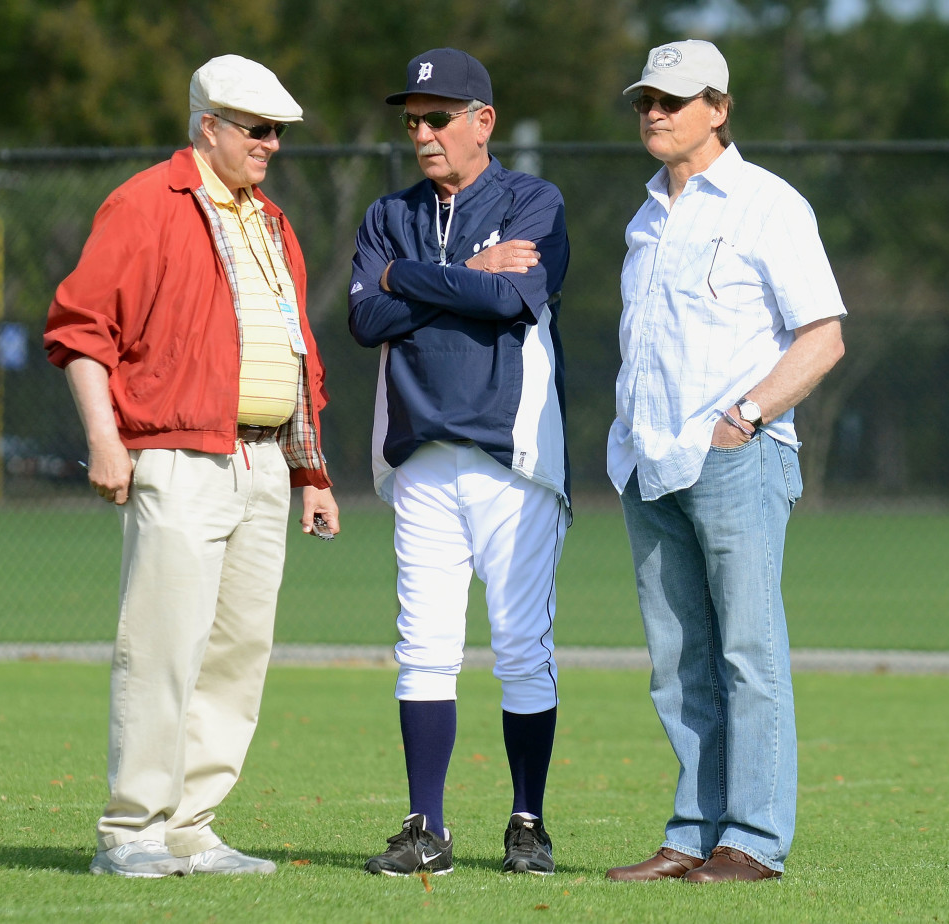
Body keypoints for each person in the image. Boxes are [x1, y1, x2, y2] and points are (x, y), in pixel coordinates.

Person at [43, 54, 339, 878]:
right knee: (163, 648)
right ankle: (131, 831)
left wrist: (310, 474)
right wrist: (106, 439)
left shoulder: (272, 221)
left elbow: (294, 350)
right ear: (208, 125)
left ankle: (190, 827)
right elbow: (79, 328)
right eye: (257, 129)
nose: (272, 144)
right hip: (177, 457)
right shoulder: (145, 203)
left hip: (264, 465)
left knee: (238, 653)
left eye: (279, 131)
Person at [604, 40, 846, 884]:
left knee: (749, 654)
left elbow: (824, 336)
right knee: (679, 663)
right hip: (649, 463)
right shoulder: (645, 215)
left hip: (736, 457)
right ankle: (691, 834)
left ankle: (753, 843)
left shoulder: (767, 204)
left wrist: (744, 417)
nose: (655, 113)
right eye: (646, 100)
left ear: (720, 107)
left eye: (674, 99)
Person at [348, 47, 571, 877]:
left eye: (439, 116)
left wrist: (412, 281)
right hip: (419, 454)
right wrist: (456, 273)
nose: (423, 132)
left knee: (521, 645)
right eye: (412, 119)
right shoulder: (388, 215)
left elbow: (513, 298)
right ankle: (426, 830)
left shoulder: (531, 200)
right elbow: (366, 320)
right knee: (424, 645)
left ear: (484, 121)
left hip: (511, 455)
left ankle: (527, 823)